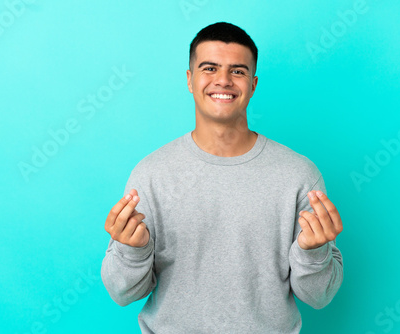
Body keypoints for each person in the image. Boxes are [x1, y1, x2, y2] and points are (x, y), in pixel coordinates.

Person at [101, 22, 344, 333]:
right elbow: (122, 293)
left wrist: (313, 253)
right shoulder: (151, 174)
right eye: (210, 68)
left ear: (253, 84)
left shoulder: (299, 175)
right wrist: (132, 251)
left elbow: (319, 297)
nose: (223, 81)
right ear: (190, 79)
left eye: (238, 71)